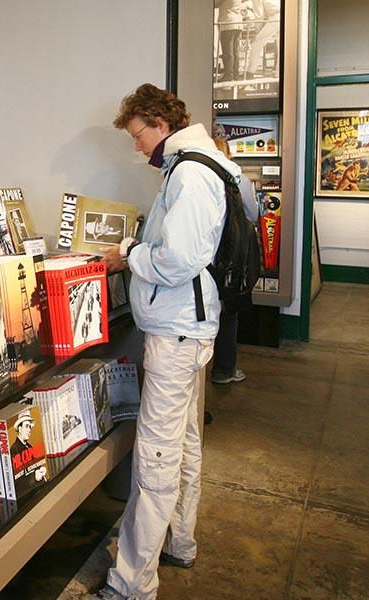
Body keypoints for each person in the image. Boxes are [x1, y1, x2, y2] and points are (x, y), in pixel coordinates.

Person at [91, 84, 233, 600]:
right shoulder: (201, 165)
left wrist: (129, 253)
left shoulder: (191, 174)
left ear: (158, 122)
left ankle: (132, 582)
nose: (136, 148)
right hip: (187, 329)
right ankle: (181, 540)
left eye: (136, 135)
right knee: (184, 442)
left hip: (176, 333)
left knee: (155, 456)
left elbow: (178, 260)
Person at [210, 133, 259, 385]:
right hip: (232, 258)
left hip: (207, 258)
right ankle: (224, 369)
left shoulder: (200, 176)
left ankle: (204, 373)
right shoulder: (240, 179)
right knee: (228, 314)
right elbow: (253, 214)